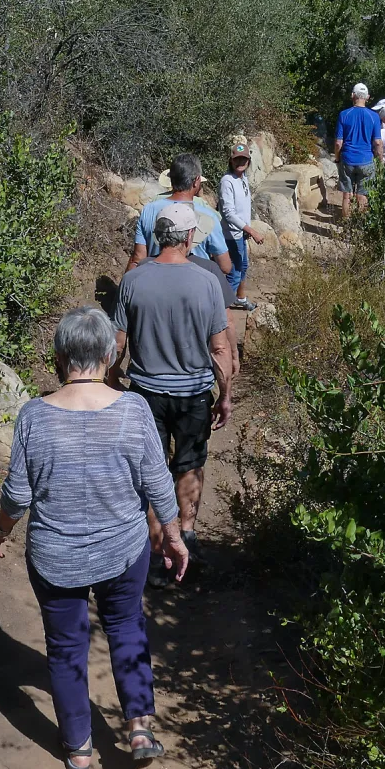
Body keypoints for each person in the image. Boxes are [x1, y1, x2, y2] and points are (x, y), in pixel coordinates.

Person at [0, 306, 190, 769]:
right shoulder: (133, 409)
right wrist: (174, 536)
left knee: (64, 648)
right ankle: (139, 728)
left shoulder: (34, 415)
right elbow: (159, 482)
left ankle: (78, 749)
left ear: (59, 357)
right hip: (123, 550)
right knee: (126, 628)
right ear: (111, 351)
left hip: (55, 555)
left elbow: (17, 496)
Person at [110, 202, 232, 587]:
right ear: (191, 237)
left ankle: (158, 551)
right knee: (190, 464)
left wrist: (113, 379)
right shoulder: (207, 282)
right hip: (194, 392)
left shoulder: (133, 281)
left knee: (151, 472)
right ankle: (187, 540)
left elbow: (117, 343)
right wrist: (225, 393)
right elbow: (220, 349)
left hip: (145, 392)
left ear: (158, 236)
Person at [125, 154, 232, 276]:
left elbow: (138, 258)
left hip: (155, 282)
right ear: (196, 181)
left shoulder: (148, 210)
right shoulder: (209, 216)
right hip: (195, 286)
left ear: (171, 179)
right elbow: (225, 267)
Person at [218, 141, 263, 311]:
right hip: (232, 235)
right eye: (237, 159)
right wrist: (250, 230)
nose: (241, 163)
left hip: (240, 233)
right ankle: (221, 311)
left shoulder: (243, 179)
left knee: (242, 267)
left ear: (249, 161)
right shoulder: (227, 181)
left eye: (244, 159)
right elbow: (228, 213)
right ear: (231, 161)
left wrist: (246, 229)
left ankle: (240, 299)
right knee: (234, 273)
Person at [334, 82, 385, 217]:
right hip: (366, 160)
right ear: (367, 97)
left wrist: (337, 158)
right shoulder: (374, 116)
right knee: (362, 196)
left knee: (347, 195)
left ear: (352, 95)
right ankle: (359, 228)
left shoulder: (344, 114)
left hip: (348, 159)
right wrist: (380, 160)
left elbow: (339, 143)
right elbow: (378, 142)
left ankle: (346, 227)